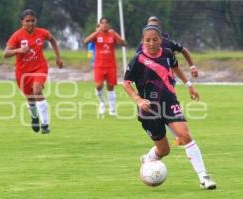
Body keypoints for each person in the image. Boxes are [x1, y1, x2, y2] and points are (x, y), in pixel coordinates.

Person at [123, 25, 216, 189]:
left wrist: (189, 85)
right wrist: (138, 100)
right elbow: (126, 83)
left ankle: (204, 178)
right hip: (149, 110)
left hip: (169, 103)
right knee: (164, 150)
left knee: (185, 136)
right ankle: (149, 158)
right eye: (147, 40)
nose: (151, 43)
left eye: (155, 39)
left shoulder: (167, 53)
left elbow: (175, 67)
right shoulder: (138, 59)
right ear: (142, 41)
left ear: (161, 40)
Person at [137, 16, 199, 145]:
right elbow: (138, 65)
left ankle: (178, 135)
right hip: (151, 86)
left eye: (154, 25)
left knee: (166, 107)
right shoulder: (142, 46)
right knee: (157, 110)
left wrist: (192, 67)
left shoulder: (167, 43)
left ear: (159, 28)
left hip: (167, 82)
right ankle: (176, 135)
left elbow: (183, 51)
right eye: (149, 25)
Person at [3, 9, 63, 134]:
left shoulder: (42, 32)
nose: (30, 23)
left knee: (37, 89)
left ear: (36, 21)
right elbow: (6, 53)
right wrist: (19, 50)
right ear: (22, 22)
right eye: (27, 21)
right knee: (30, 98)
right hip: (23, 72)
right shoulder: (17, 35)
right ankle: (35, 117)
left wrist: (58, 57)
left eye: (33, 21)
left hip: (39, 67)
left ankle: (45, 124)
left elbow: (52, 40)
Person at [84, 17, 127, 115]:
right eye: (102, 23)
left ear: (109, 24)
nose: (104, 25)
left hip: (111, 65)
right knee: (98, 86)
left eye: (106, 23)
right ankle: (102, 102)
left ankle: (112, 109)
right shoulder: (97, 35)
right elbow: (86, 41)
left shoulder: (112, 34)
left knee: (110, 87)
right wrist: (96, 32)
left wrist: (116, 34)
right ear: (100, 25)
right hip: (99, 65)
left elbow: (124, 44)